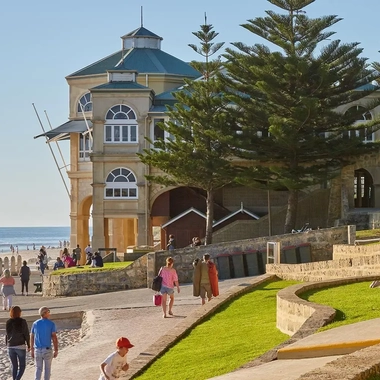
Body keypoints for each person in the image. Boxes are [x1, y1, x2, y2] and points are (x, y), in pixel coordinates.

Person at [30, 306, 59, 380]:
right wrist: (56, 349)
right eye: (48, 311)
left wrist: (32, 349)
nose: (49, 313)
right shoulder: (51, 324)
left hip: (37, 349)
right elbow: (54, 337)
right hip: (47, 349)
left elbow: (32, 336)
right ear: (45, 313)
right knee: (47, 369)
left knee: (38, 369)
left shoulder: (35, 323)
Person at [6, 306, 30, 380]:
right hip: (20, 345)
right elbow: (26, 334)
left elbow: (7, 334)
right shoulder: (22, 321)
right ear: (19, 312)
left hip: (10, 346)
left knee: (14, 366)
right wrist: (29, 345)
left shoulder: (8, 322)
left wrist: (7, 343)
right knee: (22, 366)